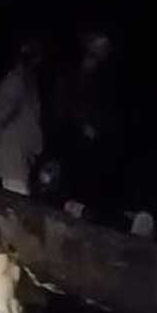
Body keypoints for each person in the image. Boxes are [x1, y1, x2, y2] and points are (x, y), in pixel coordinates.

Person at [50, 29, 122, 221]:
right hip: (76, 141)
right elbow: (66, 105)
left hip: (93, 142)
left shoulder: (102, 75)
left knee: (91, 188)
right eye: (102, 46)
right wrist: (82, 125)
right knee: (75, 185)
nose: (107, 51)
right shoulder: (73, 75)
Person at [0, 37, 45, 196]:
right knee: (16, 210)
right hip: (13, 160)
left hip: (23, 159)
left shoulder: (28, 82)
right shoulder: (16, 81)